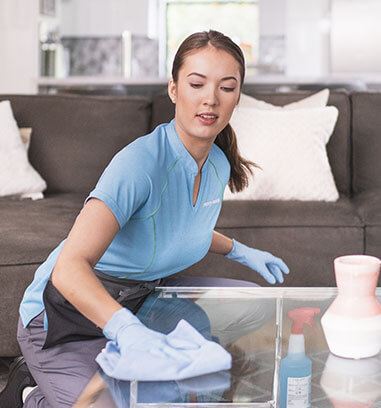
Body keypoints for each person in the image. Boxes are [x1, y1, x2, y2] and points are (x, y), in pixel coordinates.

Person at [2, 29, 289, 408]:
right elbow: (69, 269)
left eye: (227, 87)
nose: (210, 99)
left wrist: (239, 250)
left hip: (139, 299)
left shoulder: (217, 162)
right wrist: (126, 329)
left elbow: (183, 226)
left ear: (239, 96)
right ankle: (32, 394)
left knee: (251, 303)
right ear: (174, 89)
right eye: (197, 83)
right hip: (65, 317)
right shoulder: (140, 164)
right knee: (111, 405)